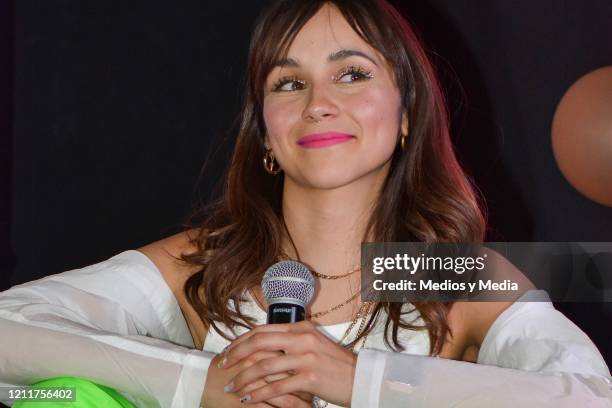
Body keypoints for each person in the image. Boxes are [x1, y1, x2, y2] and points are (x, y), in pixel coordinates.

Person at [1, 1, 611, 407]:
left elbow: (587, 394)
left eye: (352, 74)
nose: (318, 102)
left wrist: (358, 380)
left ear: (406, 118)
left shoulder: (442, 270)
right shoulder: (207, 263)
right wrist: (205, 382)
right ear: (266, 134)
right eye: (289, 83)